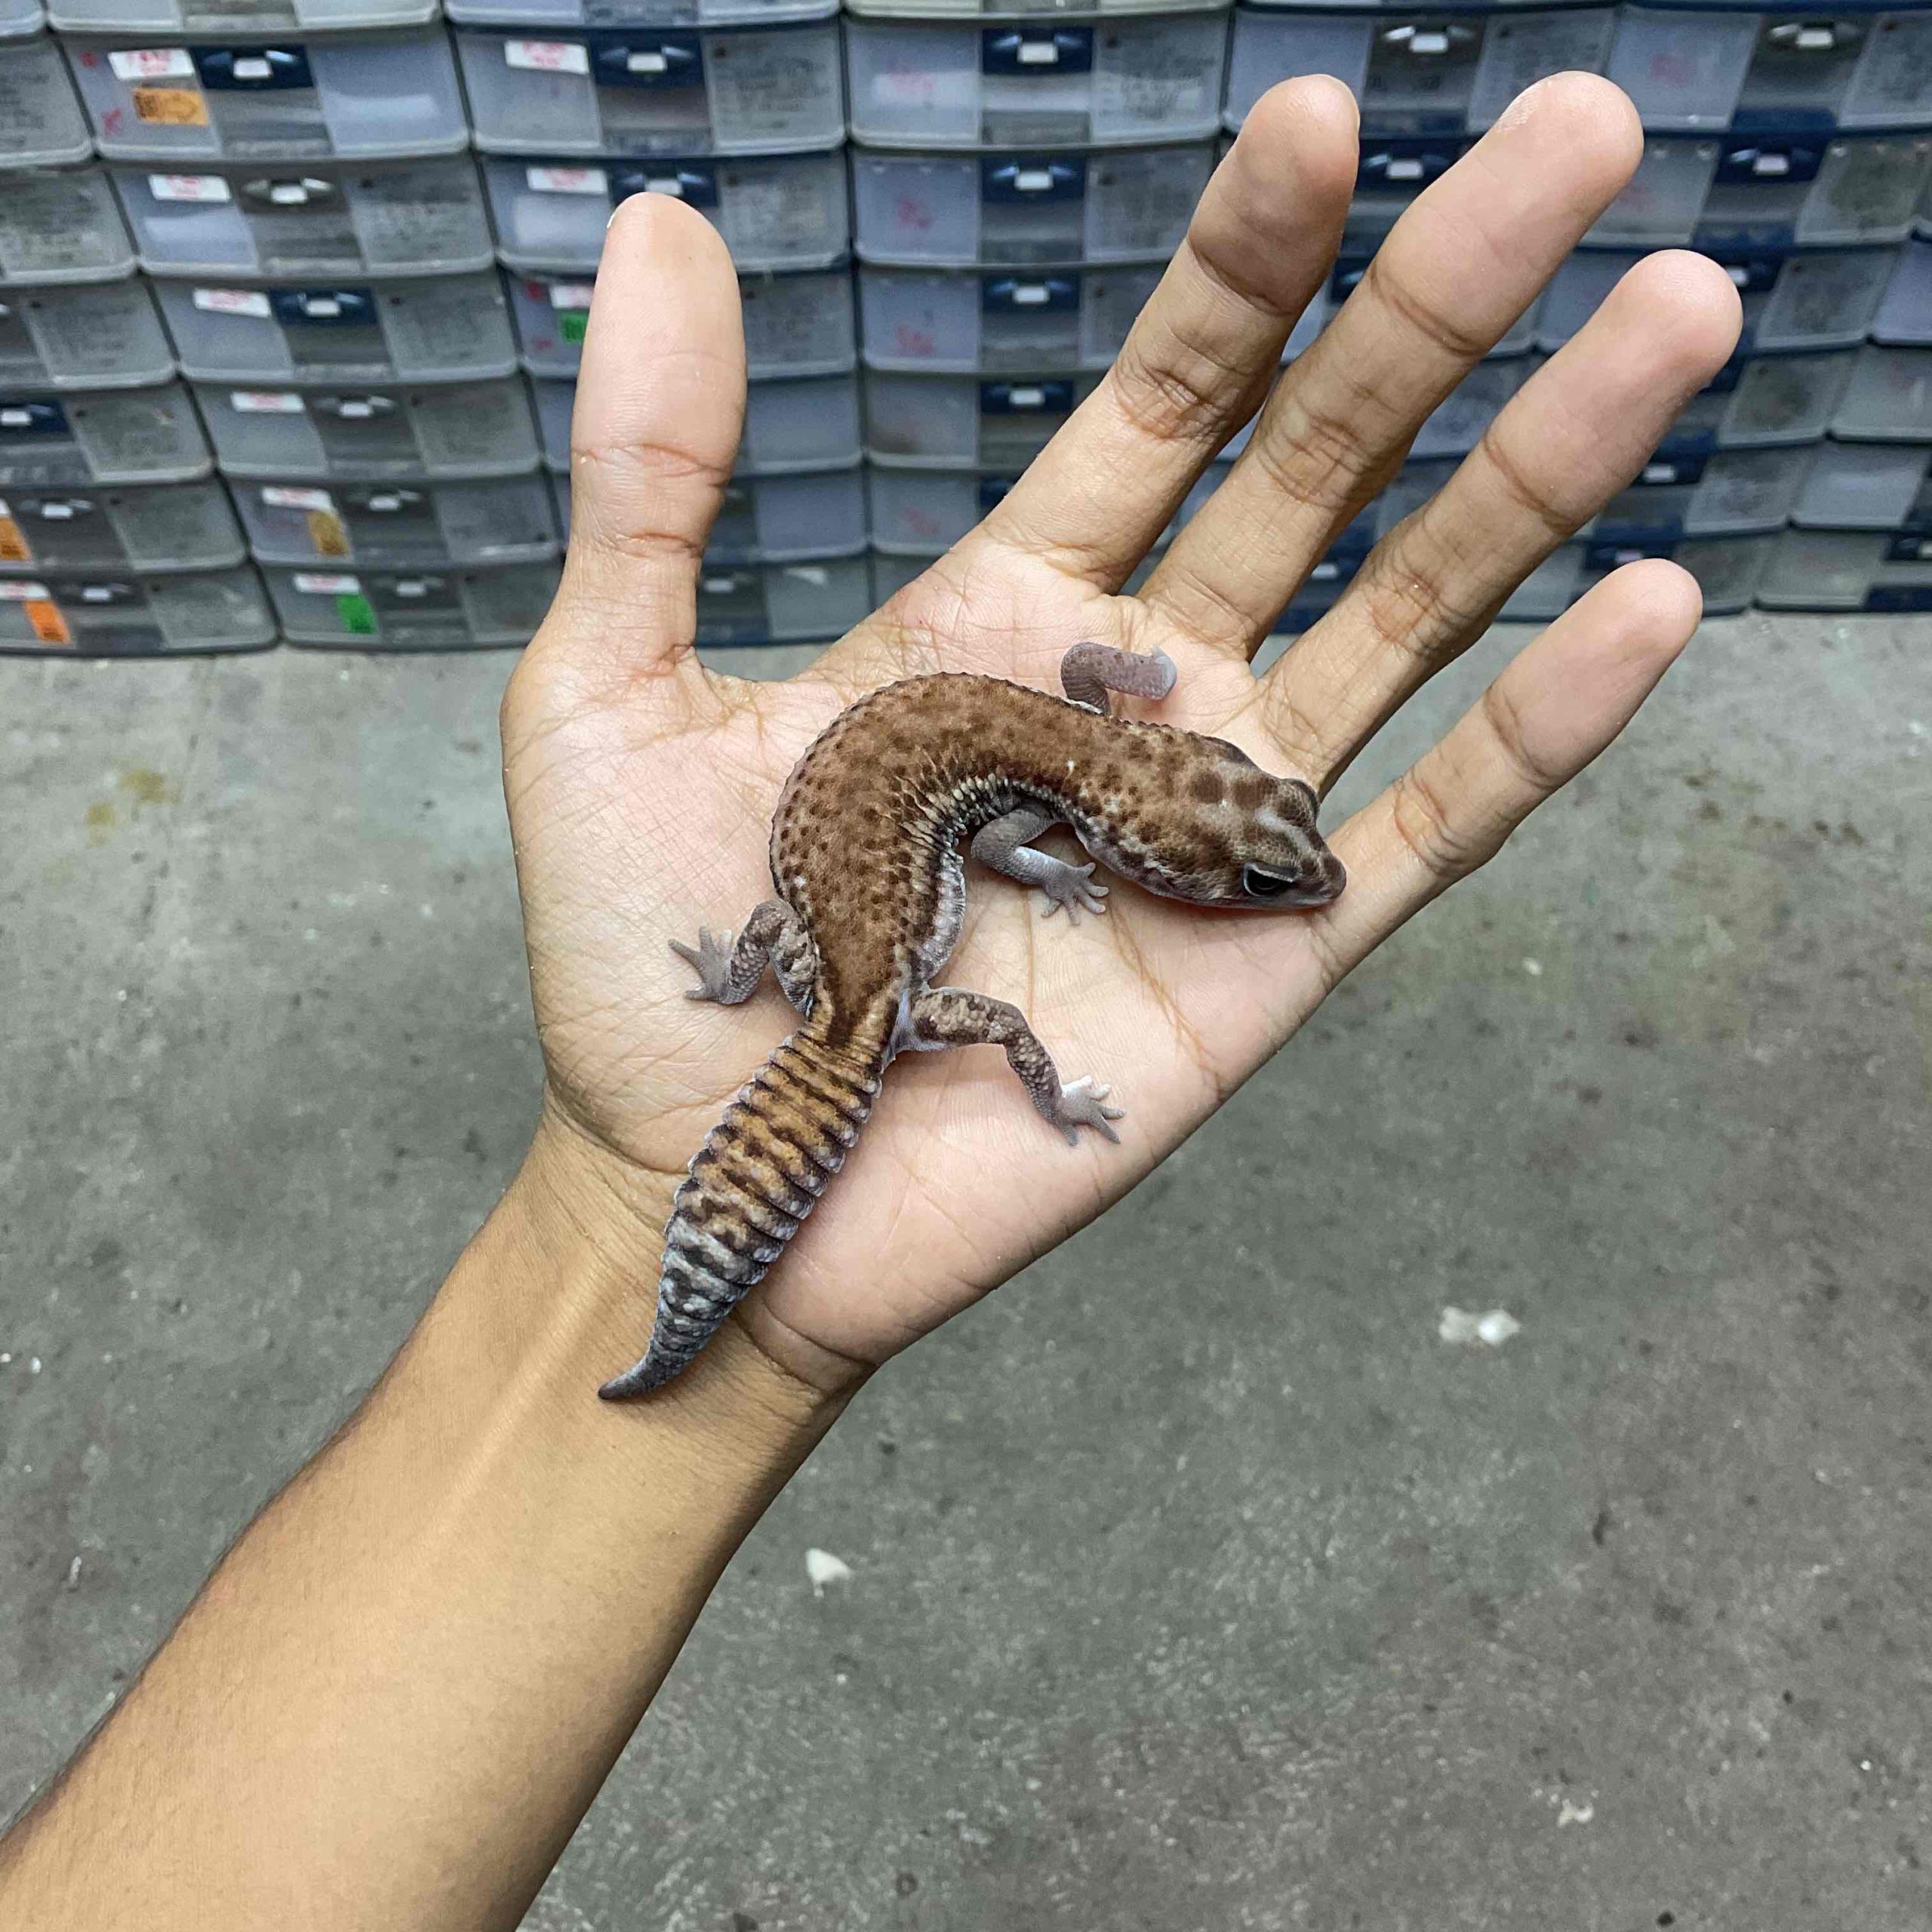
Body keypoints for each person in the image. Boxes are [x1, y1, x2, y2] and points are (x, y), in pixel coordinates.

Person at [0, 72, 1740, 1930]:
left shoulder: (1080, 731)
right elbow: (1023, 825)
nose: (1273, 885)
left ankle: (698, 1231)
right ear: (1136, 838)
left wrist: (794, 959)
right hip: (873, 978)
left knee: (853, 979)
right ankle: (713, 1257)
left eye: (1260, 856)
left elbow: (1062, 737)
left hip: (840, 934)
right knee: (939, 1022)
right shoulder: (1049, 811)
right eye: (1246, 870)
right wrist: (1038, 1051)